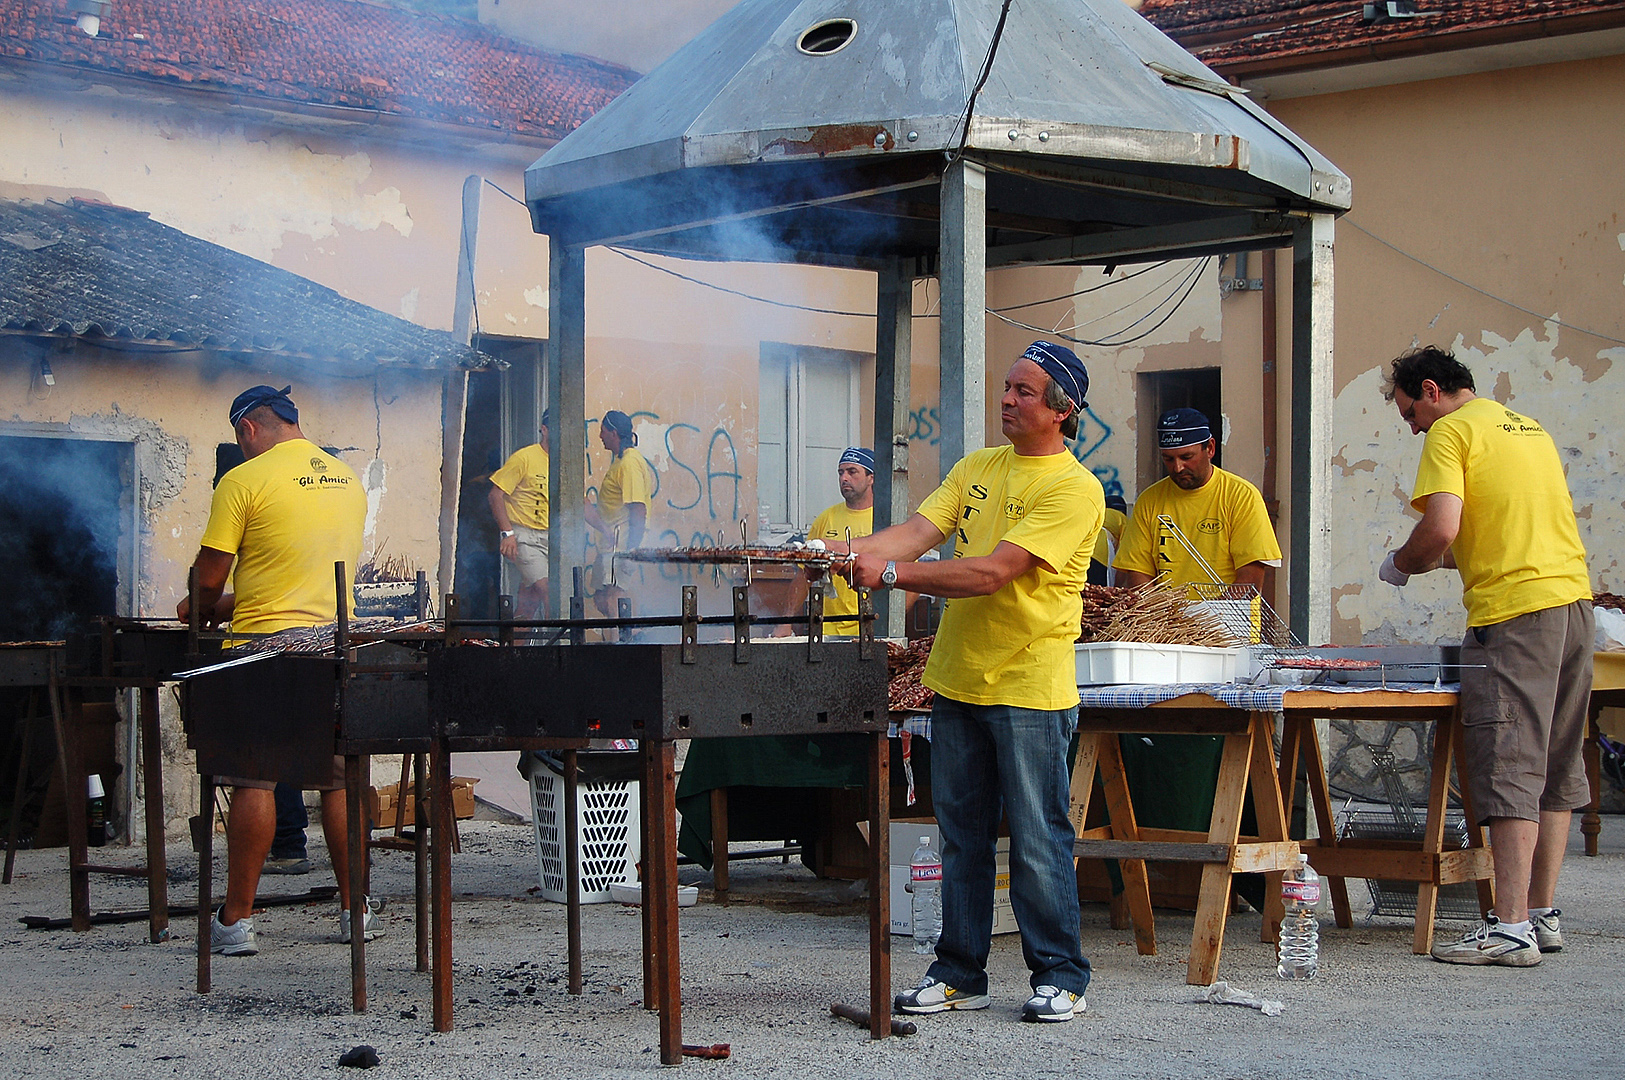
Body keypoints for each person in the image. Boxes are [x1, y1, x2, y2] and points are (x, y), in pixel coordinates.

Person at [837, 341, 1102, 1023]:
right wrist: (849, 553)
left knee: (1039, 839)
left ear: (1060, 410)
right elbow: (918, 531)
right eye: (1006, 387)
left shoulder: (1074, 489)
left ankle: (1061, 974)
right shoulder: (978, 466)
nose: (1007, 400)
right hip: (956, 680)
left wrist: (887, 574)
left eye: (1022, 391)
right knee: (960, 837)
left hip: (1028, 689)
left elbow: (989, 573)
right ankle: (958, 971)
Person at [1379, 346, 1593, 966]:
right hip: (1572, 606)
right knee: (1554, 768)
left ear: (1430, 390)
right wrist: (1427, 557)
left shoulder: (1451, 432)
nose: (1415, 426)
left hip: (1515, 617)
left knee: (1509, 767)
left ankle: (1509, 928)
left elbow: (1441, 530)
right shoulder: (1527, 428)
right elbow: (1482, 536)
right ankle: (1542, 917)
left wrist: (1401, 563)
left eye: (1410, 412)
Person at [176, 384, 380, 956]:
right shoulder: (345, 479)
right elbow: (291, 570)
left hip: (265, 651)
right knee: (340, 778)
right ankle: (354, 911)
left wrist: (196, 604)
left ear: (248, 430)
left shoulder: (242, 480)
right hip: (336, 644)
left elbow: (210, 580)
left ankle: (236, 922)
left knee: (255, 775)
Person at [1113, 407, 1281, 595]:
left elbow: (1250, 581)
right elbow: (1138, 572)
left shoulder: (1242, 496)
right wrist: (1157, 616)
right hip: (1167, 622)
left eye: (1187, 457)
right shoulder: (1149, 500)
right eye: (1168, 459)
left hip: (1228, 621)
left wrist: (1207, 619)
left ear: (1210, 448)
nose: (1177, 467)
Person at [585, 410, 656, 618]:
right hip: (609, 542)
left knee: (613, 597)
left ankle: (620, 646)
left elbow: (638, 510)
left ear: (614, 434)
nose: (600, 436)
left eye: (603, 431)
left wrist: (631, 550)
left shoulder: (629, 463)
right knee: (601, 598)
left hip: (622, 542)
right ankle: (629, 637)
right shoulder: (621, 460)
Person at [805, 447, 876, 635]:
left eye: (852, 472)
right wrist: (785, 622)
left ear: (872, 478)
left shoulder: (885, 519)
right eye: (841, 472)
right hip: (826, 629)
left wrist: (886, 625)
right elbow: (803, 574)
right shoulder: (825, 518)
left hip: (869, 628)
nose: (844, 478)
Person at [488, 409, 551, 619]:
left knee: (527, 607)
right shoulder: (524, 457)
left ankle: (511, 651)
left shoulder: (567, 462)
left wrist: (604, 530)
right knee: (551, 593)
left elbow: (581, 501)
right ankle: (561, 649)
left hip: (553, 539)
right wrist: (508, 534)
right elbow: (495, 495)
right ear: (544, 430)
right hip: (526, 538)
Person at [1087, 492, 1128, 586]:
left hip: (1087, 545)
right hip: (1102, 550)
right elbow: (1122, 557)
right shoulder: (1123, 520)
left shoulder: (1099, 512)